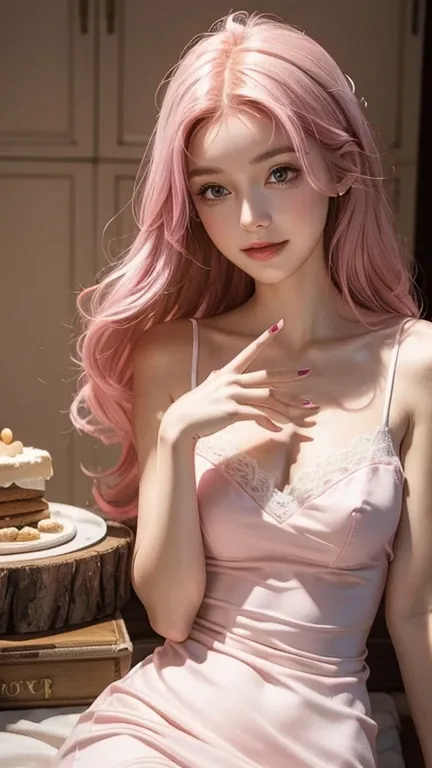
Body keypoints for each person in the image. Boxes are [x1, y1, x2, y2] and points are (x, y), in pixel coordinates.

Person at [53, 12, 432, 768]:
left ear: (341, 167)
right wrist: (176, 436)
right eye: (214, 190)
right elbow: (169, 614)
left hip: (319, 731)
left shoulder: (414, 366)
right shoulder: (173, 353)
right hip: (162, 722)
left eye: (280, 173)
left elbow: (419, 609)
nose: (250, 218)